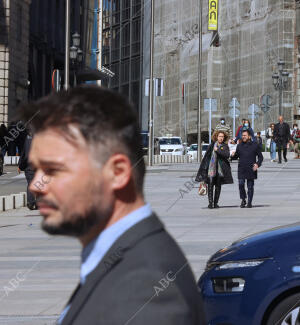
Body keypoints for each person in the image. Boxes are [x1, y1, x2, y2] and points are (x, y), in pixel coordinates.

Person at [20, 86, 203, 325]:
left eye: (53, 170)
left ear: (117, 172)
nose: (36, 185)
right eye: (36, 169)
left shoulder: (147, 292)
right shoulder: (118, 258)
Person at [195, 130, 233, 209]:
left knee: (218, 187)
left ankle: (216, 203)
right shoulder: (211, 145)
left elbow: (226, 155)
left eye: (222, 137)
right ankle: (210, 203)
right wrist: (204, 170)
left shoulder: (225, 146)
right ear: (216, 137)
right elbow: (206, 158)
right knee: (210, 185)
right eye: (219, 136)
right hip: (211, 169)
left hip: (220, 170)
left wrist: (218, 150)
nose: (221, 138)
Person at [232, 129, 263, 208]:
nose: (243, 137)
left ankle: (249, 202)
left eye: (245, 135)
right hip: (242, 168)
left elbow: (260, 157)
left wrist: (257, 164)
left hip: (251, 168)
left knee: (250, 186)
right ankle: (243, 199)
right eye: (242, 135)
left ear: (249, 136)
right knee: (241, 184)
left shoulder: (255, 145)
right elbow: (236, 156)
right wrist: (233, 155)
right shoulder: (239, 145)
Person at [18, 130, 36, 210]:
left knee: (31, 183)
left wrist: (20, 166)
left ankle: (31, 202)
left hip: (30, 166)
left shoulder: (28, 138)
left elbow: (24, 153)